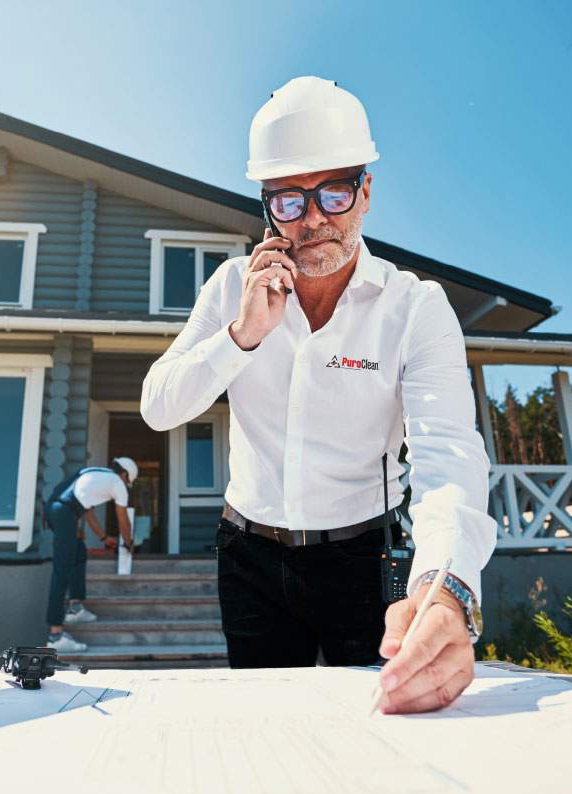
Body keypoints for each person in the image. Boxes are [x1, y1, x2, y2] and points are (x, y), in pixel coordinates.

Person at [140, 77, 497, 712]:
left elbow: (447, 458)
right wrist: (243, 335)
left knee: (387, 721)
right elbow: (158, 405)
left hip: (362, 557)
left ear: (366, 192)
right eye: (289, 201)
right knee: (266, 727)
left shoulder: (415, 307)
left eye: (334, 193)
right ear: (266, 206)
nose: (314, 220)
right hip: (248, 556)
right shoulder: (230, 289)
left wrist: (447, 587)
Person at [43, 457, 137, 653]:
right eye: (128, 481)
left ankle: (76, 607)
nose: (126, 486)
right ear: (125, 475)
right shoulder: (118, 483)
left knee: (78, 552)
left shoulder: (95, 474)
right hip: (65, 514)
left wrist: (103, 538)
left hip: (57, 509)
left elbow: (88, 513)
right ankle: (55, 636)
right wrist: (128, 543)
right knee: (62, 571)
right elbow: (123, 519)